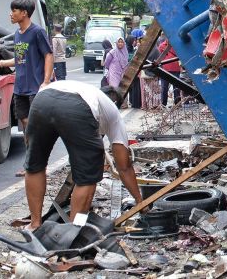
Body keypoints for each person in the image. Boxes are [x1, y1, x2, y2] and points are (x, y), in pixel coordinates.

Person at [23, 80, 142, 230]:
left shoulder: (89, 92)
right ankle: (72, 231)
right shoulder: (113, 113)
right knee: (88, 176)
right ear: (116, 103)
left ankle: (34, 224)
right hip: (76, 105)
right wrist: (140, 201)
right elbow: (124, 166)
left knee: (35, 165)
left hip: (41, 100)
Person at [0, 0, 53, 176]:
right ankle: (30, 163)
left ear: (24, 13)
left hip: (35, 87)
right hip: (20, 87)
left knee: (35, 127)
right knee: (25, 124)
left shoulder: (37, 32)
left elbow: (48, 55)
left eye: (14, 10)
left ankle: (39, 164)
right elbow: (19, 59)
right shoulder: (18, 34)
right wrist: (1, 63)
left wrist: (46, 81)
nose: (11, 14)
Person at [158, 36, 182, 107]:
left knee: (176, 88)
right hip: (165, 70)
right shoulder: (161, 46)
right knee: (164, 88)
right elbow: (159, 58)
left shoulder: (176, 45)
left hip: (176, 69)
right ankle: (163, 104)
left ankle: (178, 104)